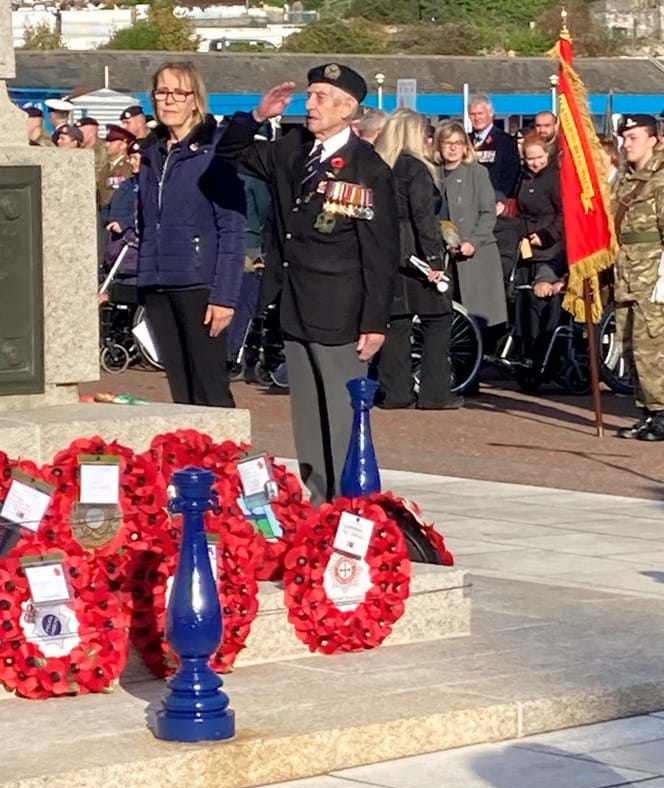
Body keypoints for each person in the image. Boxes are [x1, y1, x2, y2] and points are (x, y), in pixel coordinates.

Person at [217, 64, 399, 505]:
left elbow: (379, 252)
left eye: (319, 96)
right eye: (310, 95)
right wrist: (257, 116)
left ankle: (347, 503)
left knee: (339, 414)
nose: (309, 104)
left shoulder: (367, 168)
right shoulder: (292, 149)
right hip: (294, 301)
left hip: (341, 308)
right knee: (306, 415)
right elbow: (227, 154)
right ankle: (318, 500)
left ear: (348, 108)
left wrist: (375, 319)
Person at [137, 61, 246, 408]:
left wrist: (225, 296)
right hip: (157, 280)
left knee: (210, 386)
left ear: (195, 100)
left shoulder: (214, 152)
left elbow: (232, 227)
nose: (168, 101)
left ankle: (224, 457)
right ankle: (189, 458)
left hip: (199, 283)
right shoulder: (152, 153)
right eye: (161, 92)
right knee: (180, 389)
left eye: (178, 93)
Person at [374, 109, 460, 410]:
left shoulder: (381, 166)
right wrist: (435, 260)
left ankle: (396, 391)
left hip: (386, 250)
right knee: (438, 319)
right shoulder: (416, 170)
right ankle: (435, 391)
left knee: (396, 323)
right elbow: (423, 217)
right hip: (415, 253)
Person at [613, 114, 664, 441]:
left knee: (652, 347)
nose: (626, 143)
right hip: (627, 274)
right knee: (630, 346)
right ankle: (646, 411)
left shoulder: (660, 180)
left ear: (653, 141)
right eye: (624, 138)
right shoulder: (624, 179)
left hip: (652, 275)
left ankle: (662, 412)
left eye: (633, 137)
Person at [435, 120, 506, 339]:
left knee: (477, 319)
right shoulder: (433, 173)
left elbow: (488, 212)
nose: (453, 148)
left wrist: (473, 242)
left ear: (466, 147)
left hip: (475, 254)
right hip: (444, 255)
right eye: (448, 143)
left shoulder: (477, 172)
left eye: (458, 143)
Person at [516, 132, 565, 285]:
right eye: (530, 159)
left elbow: (563, 213)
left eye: (540, 158)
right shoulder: (523, 177)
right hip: (528, 247)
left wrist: (546, 236)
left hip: (550, 250)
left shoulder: (555, 178)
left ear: (547, 155)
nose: (536, 163)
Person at [103, 140, 142, 305]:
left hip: (135, 251)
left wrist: (126, 224)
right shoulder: (127, 184)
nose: (130, 162)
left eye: (135, 158)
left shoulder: (153, 185)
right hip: (118, 249)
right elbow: (109, 207)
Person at [469, 94, 520, 201]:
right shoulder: (466, 140)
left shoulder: (505, 141)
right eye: (472, 114)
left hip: (494, 199)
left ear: (490, 113)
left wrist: (501, 198)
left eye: (480, 113)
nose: (476, 118)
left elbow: (511, 175)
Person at [97, 124, 134, 210]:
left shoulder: (129, 167)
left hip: (121, 213)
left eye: (111, 142)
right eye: (107, 141)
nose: (107, 145)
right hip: (104, 214)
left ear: (123, 145)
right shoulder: (105, 168)